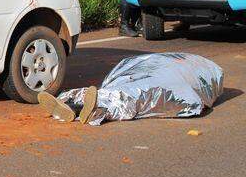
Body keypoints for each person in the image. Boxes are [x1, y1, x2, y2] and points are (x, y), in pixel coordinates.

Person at [37, 53, 223, 125]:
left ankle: (70, 101)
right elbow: (196, 102)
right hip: (155, 74)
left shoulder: (199, 68)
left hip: (147, 71)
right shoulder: (203, 70)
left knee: (123, 92)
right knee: (131, 96)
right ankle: (88, 109)